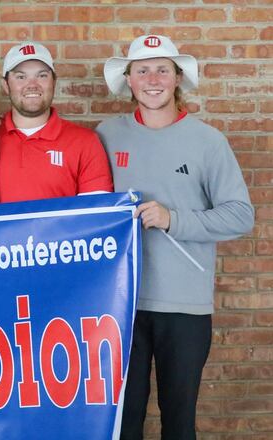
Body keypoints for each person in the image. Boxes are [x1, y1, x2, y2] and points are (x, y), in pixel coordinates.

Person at [96, 34, 254, 440]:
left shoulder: (208, 142)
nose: (153, 78)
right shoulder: (105, 135)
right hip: (118, 304)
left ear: (177, 78)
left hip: (185, 307)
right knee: (121, 420)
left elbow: (240, 215)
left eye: (163, 69)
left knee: (178, 420)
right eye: (142, 70)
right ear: (128, 80)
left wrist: (173, 219)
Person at [0, 42, 113, 202]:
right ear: (6, 85)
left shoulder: (85, 142)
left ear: (54, 82)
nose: (32, 85)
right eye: (21, 77)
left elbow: (97, 213)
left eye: (42, 76)